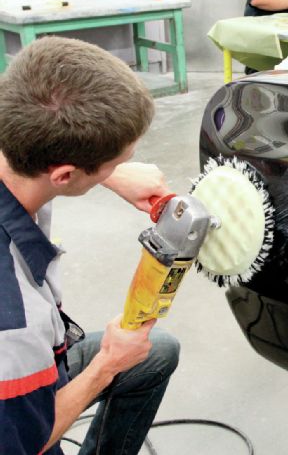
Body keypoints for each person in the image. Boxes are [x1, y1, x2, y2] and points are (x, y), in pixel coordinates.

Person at [0, 36, 180, 455]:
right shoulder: (14, 321)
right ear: (63, 175)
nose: (122, 168)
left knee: (157, 353)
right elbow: (24, 444)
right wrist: (107, 364)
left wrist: (108, 173)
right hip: (15, 426)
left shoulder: (15, 138)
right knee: (128, 356)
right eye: (118, 160)